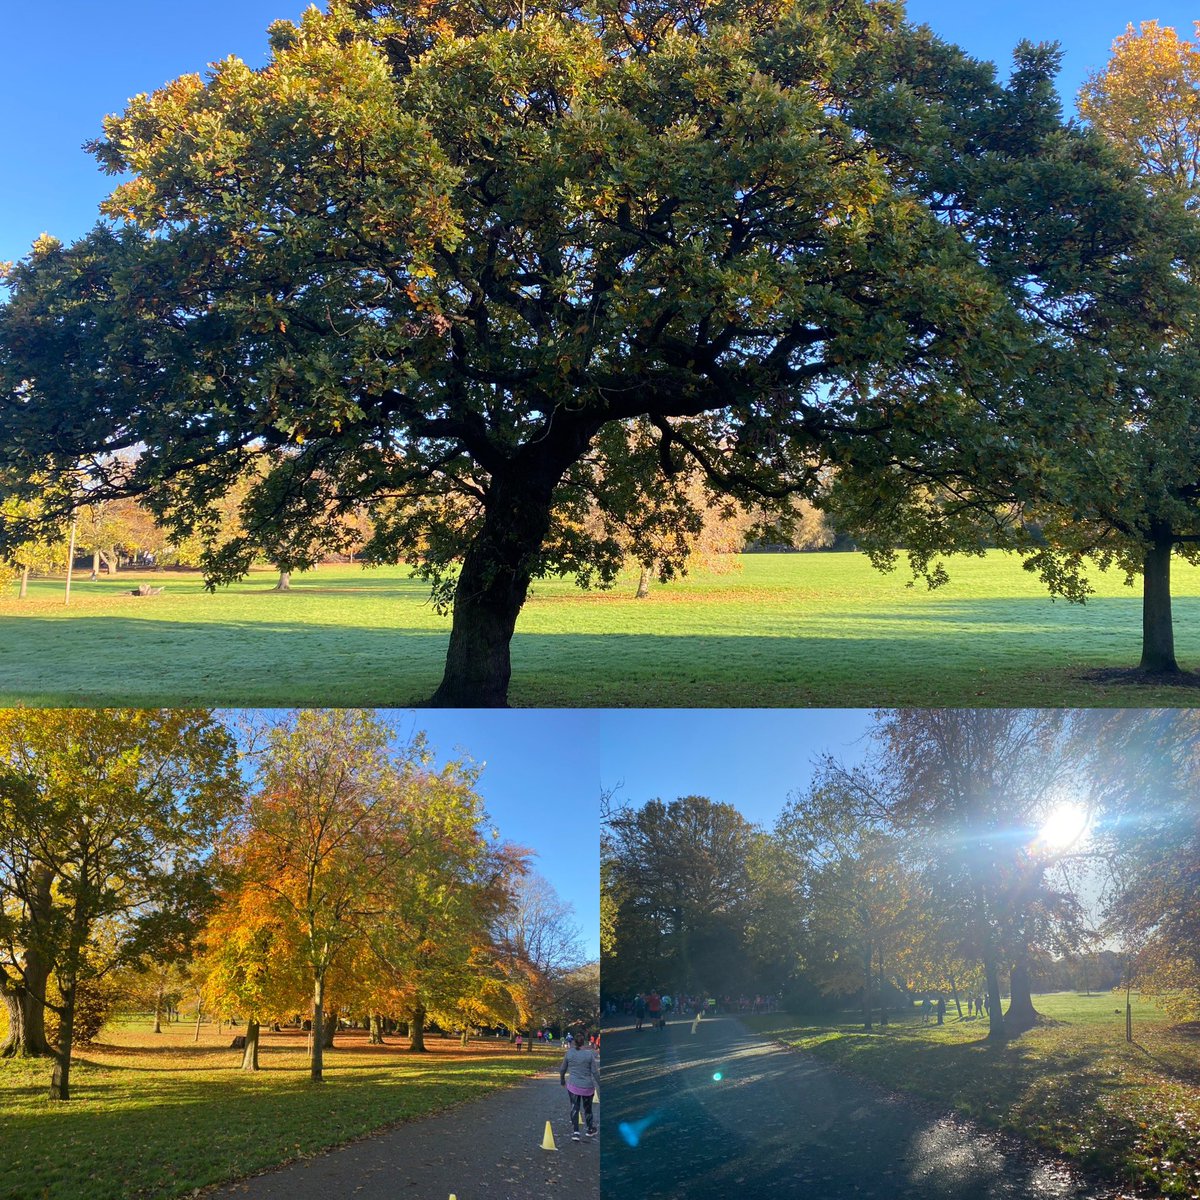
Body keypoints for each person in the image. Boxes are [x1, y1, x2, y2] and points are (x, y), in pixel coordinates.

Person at [559, 1029, 600, 1142]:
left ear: (574, 1042)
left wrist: (562, 1080)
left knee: (574, 1107)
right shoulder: (589, 1055)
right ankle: (589, 1129)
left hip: (573, 1086)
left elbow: (562, 1069)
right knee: (588, 1109)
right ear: (584, 1042)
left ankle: (576, 1132)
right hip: (587, 1087)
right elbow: (595, 1072)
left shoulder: (569, 1053)